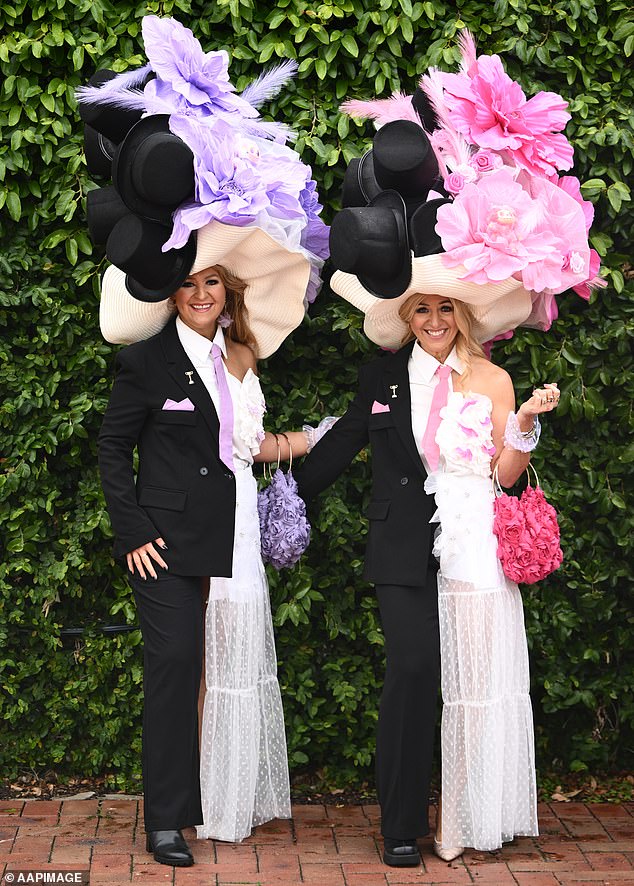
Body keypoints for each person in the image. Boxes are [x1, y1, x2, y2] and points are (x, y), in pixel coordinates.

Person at [98, 244, 312, 865]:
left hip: (231, 537)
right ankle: (165, 820)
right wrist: (133, 531)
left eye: (210, 281)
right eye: (188, 283)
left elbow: (242, 446)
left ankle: (205, 799)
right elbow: (113, 452)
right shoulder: (145, 362)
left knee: (218, 668)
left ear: (227, 290)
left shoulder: (237, 357)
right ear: (170, 293)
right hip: (162, 544)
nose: (199, 293)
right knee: (175, 663)